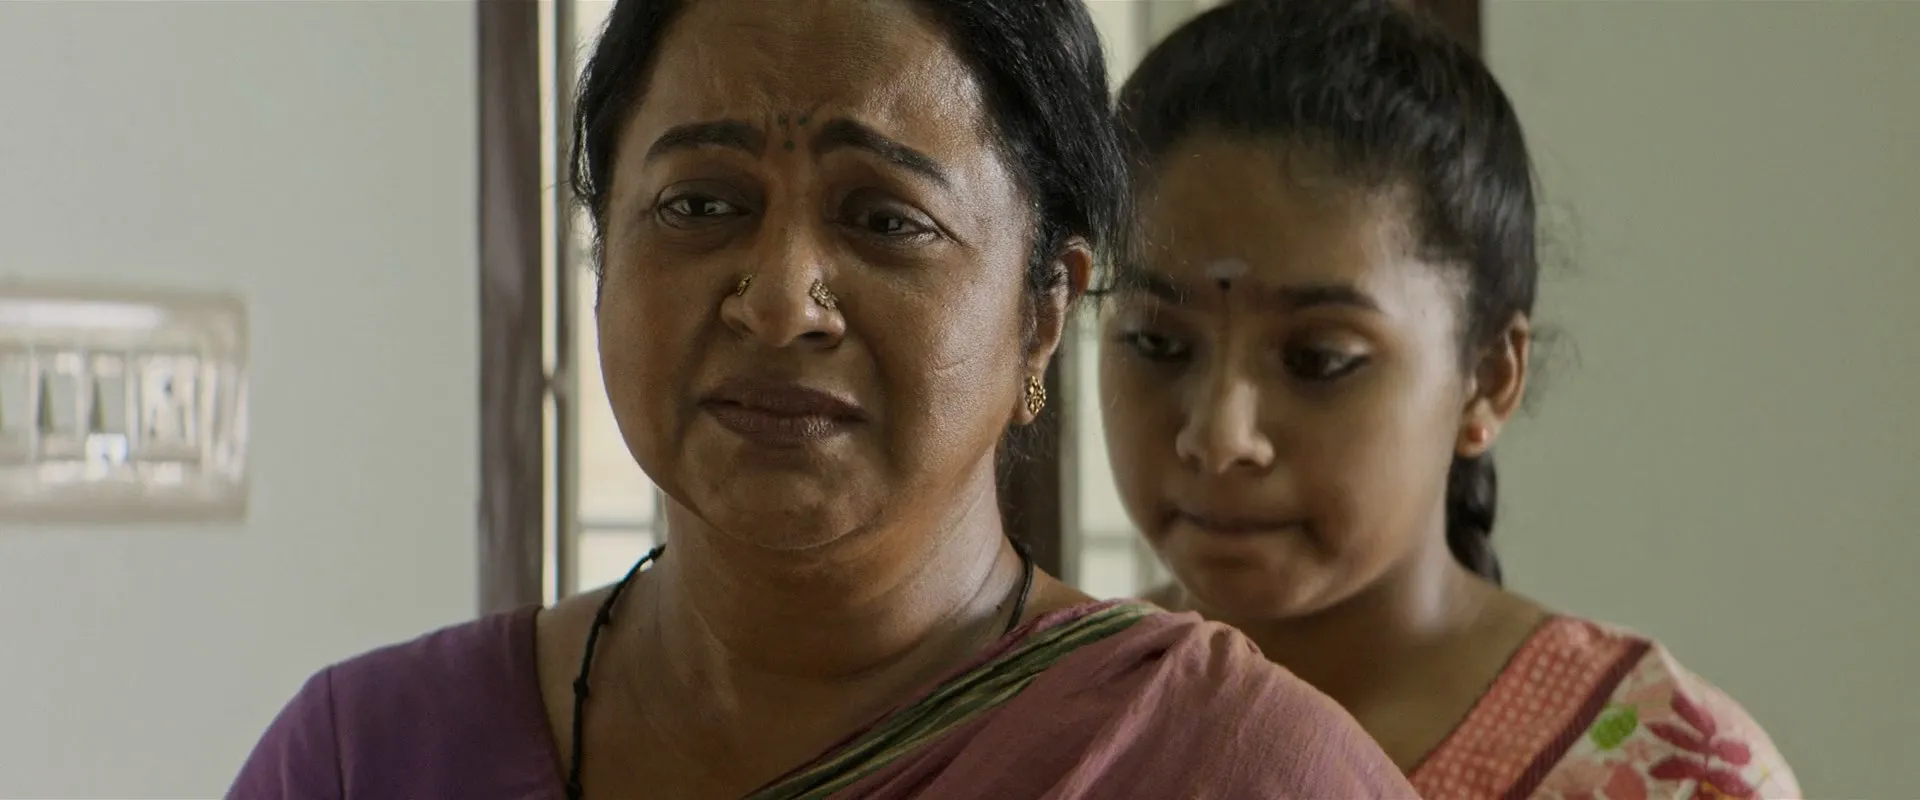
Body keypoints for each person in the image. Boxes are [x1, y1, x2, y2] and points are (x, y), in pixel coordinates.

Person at [227, 1, 1418, 798]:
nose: (779, 301)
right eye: (700, 205)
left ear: (1044, 309)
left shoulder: (1230, 768)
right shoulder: (371, 755)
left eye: (886, 218)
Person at [1101, 1, 1801, 798]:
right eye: (1156, 343)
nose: (1220, 435)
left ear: (1489, 378)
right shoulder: (1044, 718)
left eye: (1319, 359)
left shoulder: (1674, 770)